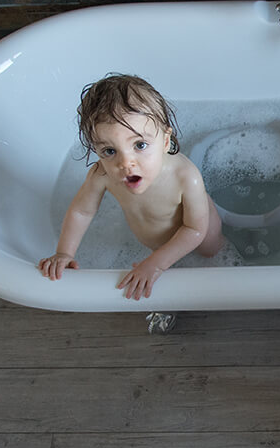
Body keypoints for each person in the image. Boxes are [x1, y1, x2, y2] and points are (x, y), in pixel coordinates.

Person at [38, 73, 224, 300]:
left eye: (140, 145)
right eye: (109, 151)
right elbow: (82, 210)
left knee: (211, 255)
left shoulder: (185, 176)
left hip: (202, 229)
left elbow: (194, 230)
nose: (126, 164)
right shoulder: (102, 174)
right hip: (155, 240)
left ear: (165, 141)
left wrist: (155, 265)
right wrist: (64, 252)